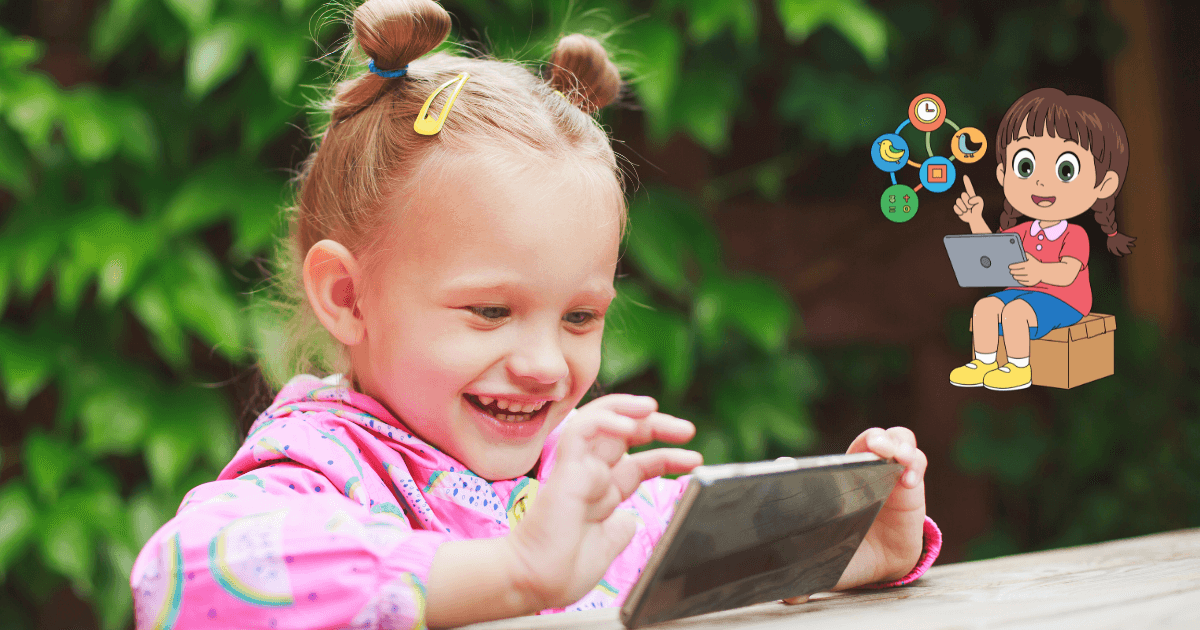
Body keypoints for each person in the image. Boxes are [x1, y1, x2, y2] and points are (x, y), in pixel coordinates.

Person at [130, 1, 940, 627]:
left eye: (581, 318)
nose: (548, 365)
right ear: (347, 297)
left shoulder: (571, 480)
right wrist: (515, 572)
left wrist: (861, 540)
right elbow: (178, 582)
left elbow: (696, 549)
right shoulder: (319, 469)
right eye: (490, 311)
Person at [949, 87, 1132, 391]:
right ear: (1003, 174)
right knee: (984, 307)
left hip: (1065, 301)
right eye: (1025, 166)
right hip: (1023, 296)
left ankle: (1018, 367)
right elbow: (990, 251)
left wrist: (1040, 271)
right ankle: (983, 362)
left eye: (1065, 169)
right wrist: (975, 219)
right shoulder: (1020, 232)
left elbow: (1068, 272)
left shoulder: (1074, 234)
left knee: (1015, 312)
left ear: (1104, 184)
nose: (1041, 181)